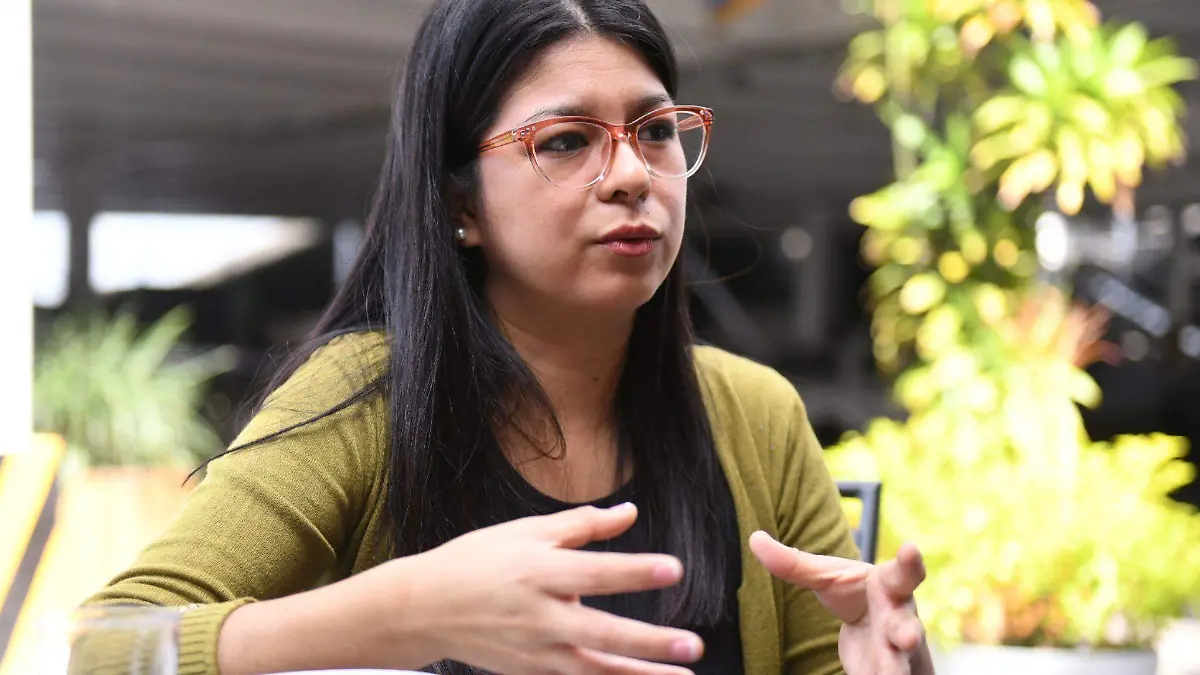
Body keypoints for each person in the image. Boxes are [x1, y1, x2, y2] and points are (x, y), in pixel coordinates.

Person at [87, 0, 934, 673]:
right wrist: (402, 613)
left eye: (655, 130)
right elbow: (107, 647)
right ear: (461, 204)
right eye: (565, 141)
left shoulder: (755, 413)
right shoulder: (368, 395)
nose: (632, 174)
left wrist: (897, 660)